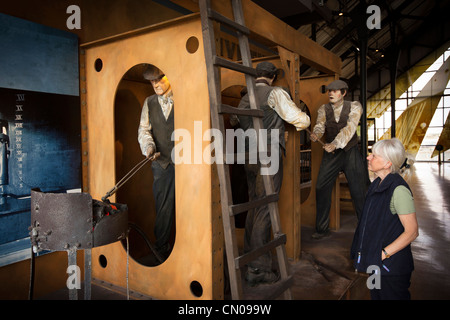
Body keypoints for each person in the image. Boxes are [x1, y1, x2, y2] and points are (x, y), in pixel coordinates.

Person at [233, 61, 310, 286]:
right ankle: (258, 268)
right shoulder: (275, 93)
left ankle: (250, 258)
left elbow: (234, 120)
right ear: (273, 77)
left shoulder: (244, 97)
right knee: (265, 208)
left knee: (253, 204)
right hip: (269, 155)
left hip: (248, 156)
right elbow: (302, 121)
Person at [351, 138, 419, 300]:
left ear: (388, 163)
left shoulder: (399, 190)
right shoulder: (376, 184)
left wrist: (382, 254)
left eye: (374, 156)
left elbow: (412, 232)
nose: (368, 157)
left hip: (391, 269)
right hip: (374, 265)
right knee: (376, 296)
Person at [310, 79, 370, 239]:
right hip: (331, 154)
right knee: (321, 187)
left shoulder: (355, 106)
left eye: (335, 91)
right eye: (329, 90)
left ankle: (366, 229)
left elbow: (350, 128)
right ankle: (322, 229)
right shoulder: (324, 109)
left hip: (349, 151)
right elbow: (320, 124)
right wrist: (316, 133)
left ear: (344, 93)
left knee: (358, 190)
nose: (331, 93)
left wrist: (336, 143)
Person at [138, 64, 175, 261]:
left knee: (192, 206)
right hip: (161, 164)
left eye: (160, 79)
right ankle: (161, 249)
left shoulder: (185, 98)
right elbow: (144, 130)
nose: (156, 84)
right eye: (152, 81)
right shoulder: (149, 102)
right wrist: (149, 148)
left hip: (188, 163)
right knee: (163, 208)